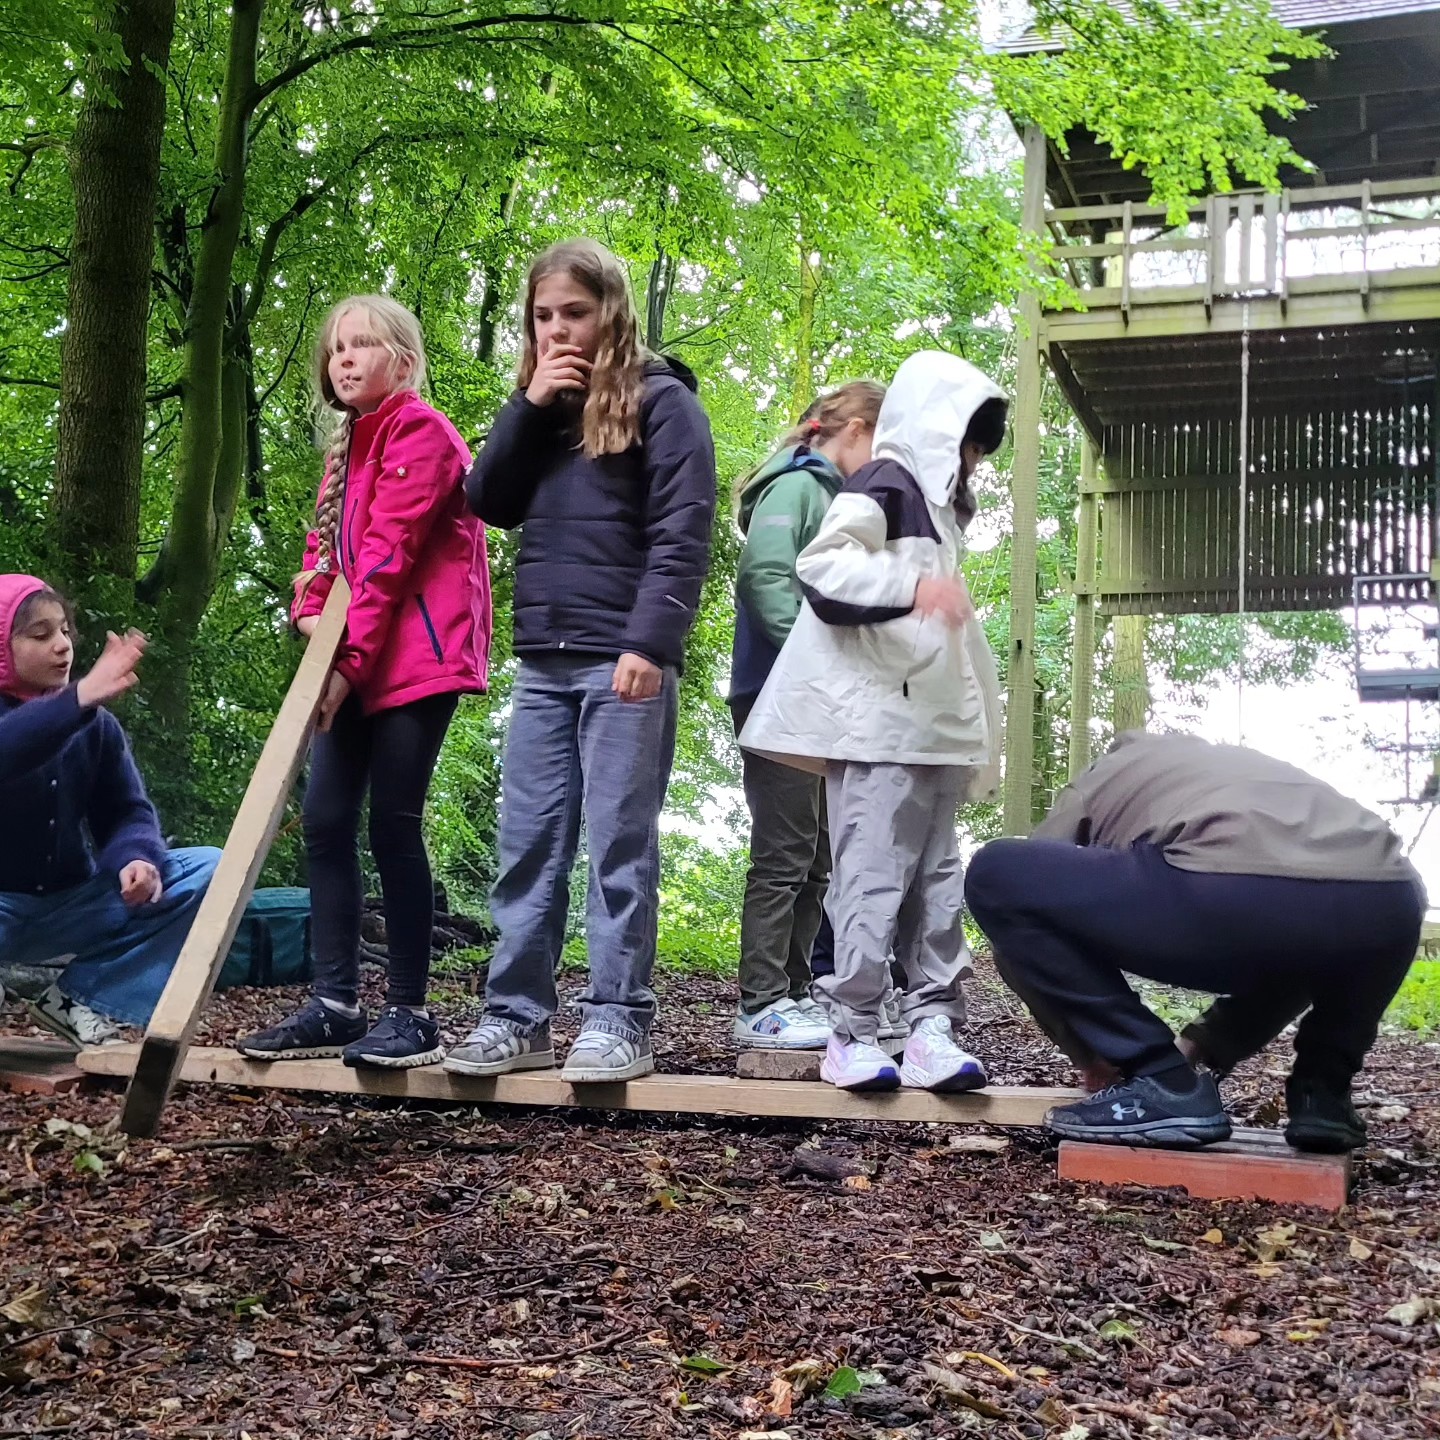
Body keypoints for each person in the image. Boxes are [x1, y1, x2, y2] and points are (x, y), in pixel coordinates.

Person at [446, 239, 717, 1084]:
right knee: (527, 844)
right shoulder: (542, 410)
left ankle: (618, 1019)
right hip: (542, 663)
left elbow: (684, 531)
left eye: (576, 312)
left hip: (623, 661)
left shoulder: (665, 403)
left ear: (612, 312)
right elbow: (486, 500)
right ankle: (516, 1018)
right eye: (544, 315)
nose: (559, 329)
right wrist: (528, 404)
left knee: (618, 847)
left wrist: (650, 642)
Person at [740, 350, 1007, 1092]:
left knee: (936, 881)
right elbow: (823, 568)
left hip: (933, 730)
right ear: (933, 427)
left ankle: (930, 1024)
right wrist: (914, 587)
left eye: (980, 452)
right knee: (869, 874)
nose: (972, 463)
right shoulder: (885, 484)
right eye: (967, 444)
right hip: (879, 728)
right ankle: (851, 1029)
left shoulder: (940, 517)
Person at [237, 295, 491, 1069]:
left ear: (403, 362)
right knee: (323, 819)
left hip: (417, 655)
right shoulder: (345, 450)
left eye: (363, 345)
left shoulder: (423, 432)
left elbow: (385, 558)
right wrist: (309, 620)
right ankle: (334, 1001)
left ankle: (410, 1011)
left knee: (392, 823)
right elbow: (323, 558)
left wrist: (340, 665)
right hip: (354, 654)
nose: (343, 358)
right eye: (336, 348)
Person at [964, 731, 1427, 1152]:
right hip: (1392, 902)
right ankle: (1322, 1095)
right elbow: (1297, 910)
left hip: (1223, 895)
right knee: (1309, 926)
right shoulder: (1239, 765)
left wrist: (1093, 1054)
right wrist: (1204, 1045)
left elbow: (1025, 905)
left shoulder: (1103, 774)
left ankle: (1160, 1080)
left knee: (997, 871)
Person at [728, 381, 892, 1051]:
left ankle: (794, 994)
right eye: (879, 441)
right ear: (850, 428)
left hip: (816, 704)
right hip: (779, 695)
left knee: (817, 858)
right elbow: (764, 574)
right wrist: (812, 667)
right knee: (784, 855)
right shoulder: (797, 485)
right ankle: (760, 1000)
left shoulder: (832, 496)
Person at [0, 575, 221, 1045]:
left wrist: (136, 857)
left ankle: (78, 999)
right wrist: (76, 698)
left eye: (64, 631)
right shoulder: (78, 707)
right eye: (41, 635)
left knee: (210, 868)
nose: (62, 646)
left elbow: (126, 811)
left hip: (69, 904)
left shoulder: (96, 726)